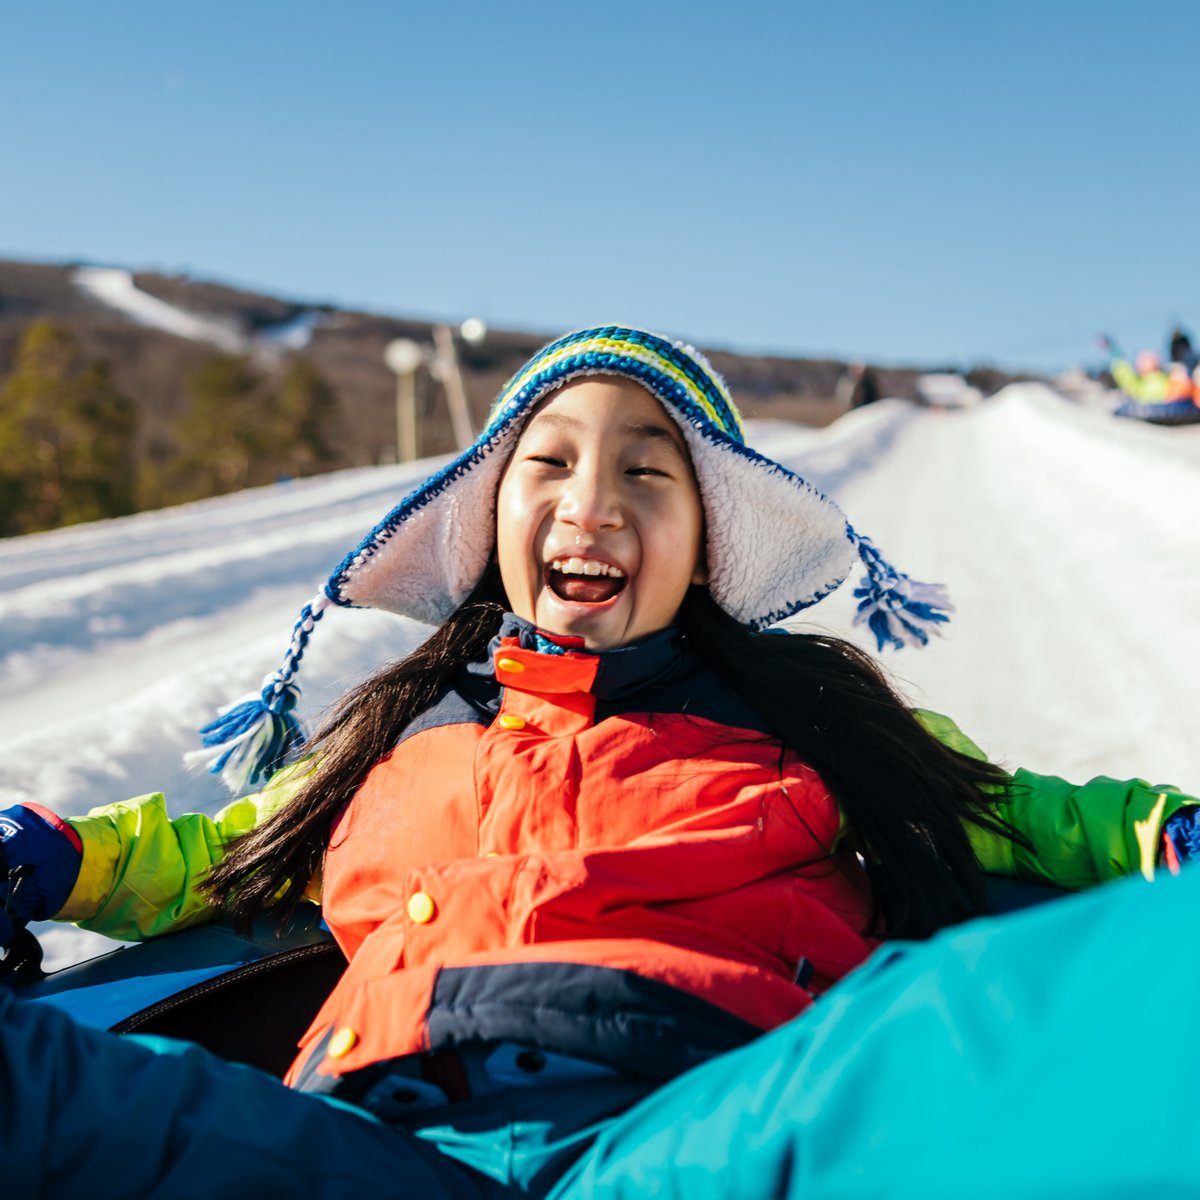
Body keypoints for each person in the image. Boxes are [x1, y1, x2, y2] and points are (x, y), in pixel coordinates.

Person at [1, 326, 1198, 1198]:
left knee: (1050, 1005)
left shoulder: (806, 725)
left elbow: (1028, 817)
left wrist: (1170, 838)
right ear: (494, 524)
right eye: (552, 461)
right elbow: (214, 858)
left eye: (647, 469)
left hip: (710, 1127)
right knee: (43, 1091)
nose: (595, 501)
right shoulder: (399, 740)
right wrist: (51, 859)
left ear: (704, 541)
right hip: (373, 1152)